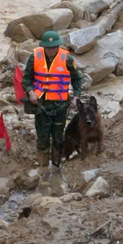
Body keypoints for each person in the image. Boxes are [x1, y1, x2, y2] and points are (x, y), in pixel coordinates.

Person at [20, 30, 85, 165]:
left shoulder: (67, 59)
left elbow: (77, 79)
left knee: (58, 136)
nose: (51, 50)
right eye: (48, 48)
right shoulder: (34, 57)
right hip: (40, 104)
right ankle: (43, 167)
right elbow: (26, 78)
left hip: (61, 105)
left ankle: (56, 165)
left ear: (58, 46)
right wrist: (30, 92)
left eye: (54, 47)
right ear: (43, 46)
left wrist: (76, 96)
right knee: (42, 137)